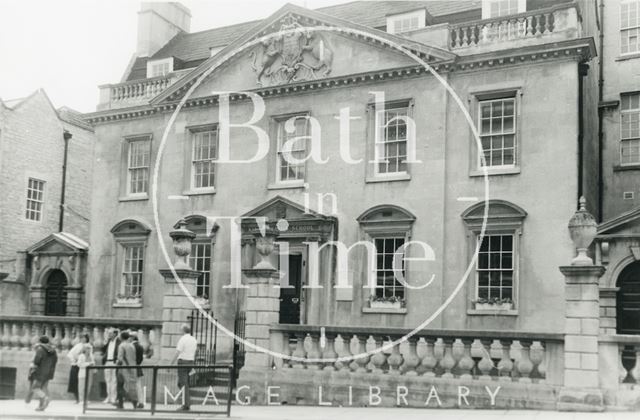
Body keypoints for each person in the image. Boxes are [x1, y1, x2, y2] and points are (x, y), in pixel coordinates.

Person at [171, 324, 197, 411]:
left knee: (183, 384)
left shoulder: (182, 339)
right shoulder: (194, 339)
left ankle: (186, 404)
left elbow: (177, 352)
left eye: (180, 330)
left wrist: (171, 364)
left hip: (182, 362)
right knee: (182, 383)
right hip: (190, 362)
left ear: (183, 330)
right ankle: (187, 400)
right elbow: (194, 352)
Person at [29, 336, 58, 412]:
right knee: (43, 388)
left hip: (40, 371)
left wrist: (33, 366)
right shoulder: (53, 350)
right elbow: (55, 361)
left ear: (40, 341)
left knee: (35, 388)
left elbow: (36, 361)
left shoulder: (40, 349)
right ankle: (41, 406)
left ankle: (46, 398)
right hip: (49, 372)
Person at [116, 331, 138, 409]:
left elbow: (120, 358)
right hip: (132, 367)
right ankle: (134, 401)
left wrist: (117, 365)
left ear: (121, 337)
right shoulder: (132, 345)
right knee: (132, 385)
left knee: (120, 385)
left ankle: (120, 402)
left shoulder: (121, 346)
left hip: (123, 368)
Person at [67, 333, 91, 403]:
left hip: (84, 365)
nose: (83, 339)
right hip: (76, 365)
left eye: (84, 338)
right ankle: (77, 398)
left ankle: (84, 398)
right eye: (81, 338)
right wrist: (74, 360)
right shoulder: (78, 345)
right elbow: (70, 354)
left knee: (84, 384)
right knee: (75, 382)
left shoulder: (88, 345)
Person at [102, 328, 120, 404]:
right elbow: (103, 350)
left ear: (115, 334)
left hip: (114, 362)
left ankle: (113, 397)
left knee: (114, 381)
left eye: (110, 333)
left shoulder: (119, 342)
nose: (109, 334)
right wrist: (105, 342)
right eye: (108, 333)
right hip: (107, 362)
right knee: (107, 380)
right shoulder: (108, 341)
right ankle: (108, 397)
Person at [131, 332, 145, 409]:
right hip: (138, 366)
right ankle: (141, 401)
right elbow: (141, 359)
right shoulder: (140, 346)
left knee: (134, 386)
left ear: (133, 338)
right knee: (138, 385)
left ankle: (136, 401)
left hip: (132, 367)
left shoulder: (132, 346)